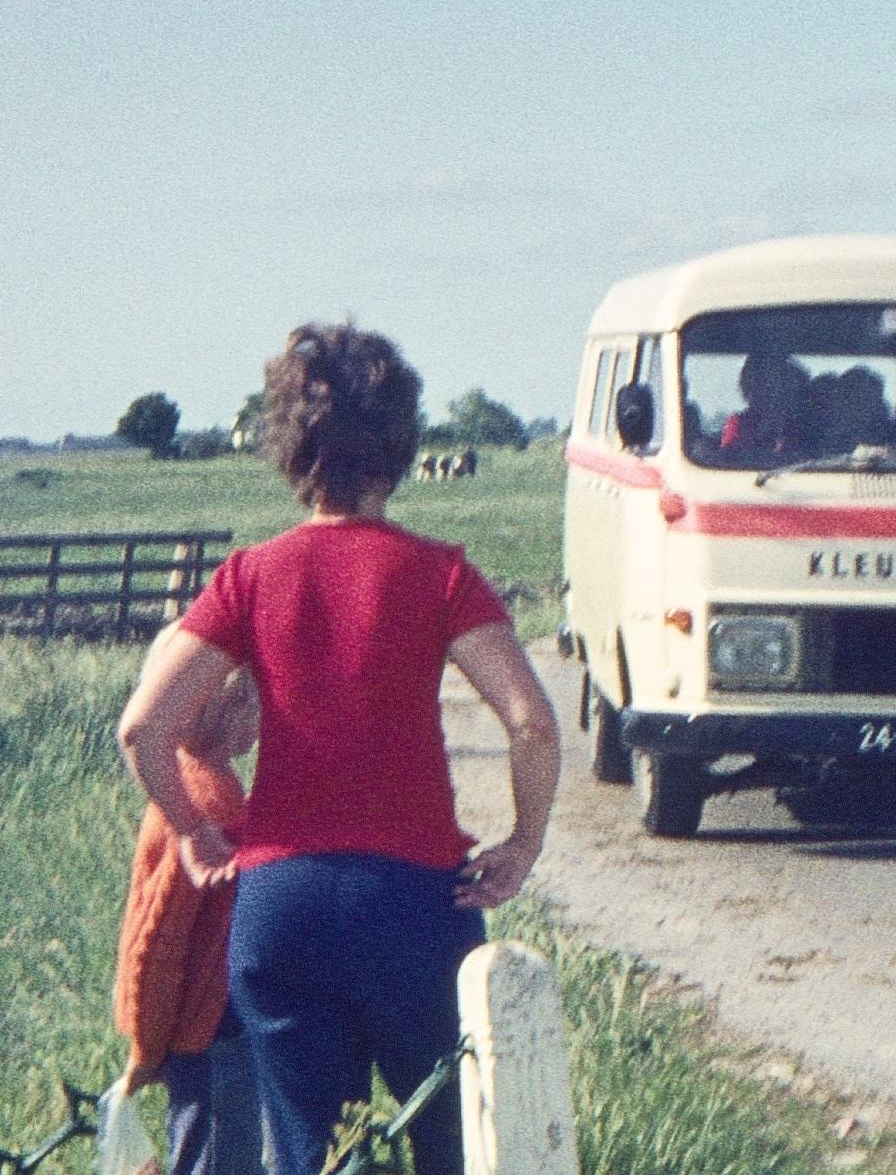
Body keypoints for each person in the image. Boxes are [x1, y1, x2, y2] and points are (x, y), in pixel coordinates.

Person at [117, 319, 560, 1175]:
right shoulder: (441, 574)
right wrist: (523, 841)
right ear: (400, 446)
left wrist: (194, 829)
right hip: (415, 904)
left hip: (281, 908)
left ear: (290, 449)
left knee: (313, 1156)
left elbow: (144, 726)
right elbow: (533, 721)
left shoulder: (248, 576)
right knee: (456, 1144)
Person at [112, 621, 264, 1175]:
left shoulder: (193, 787)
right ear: (234, 713)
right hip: (206, 1038)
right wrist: (147, 1051)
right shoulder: (204, 806)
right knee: (218, 1159)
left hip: (205, 1033)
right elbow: (159, 945)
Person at [718, 352, 809, 458]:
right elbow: (726, 460)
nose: (772, 392)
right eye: (765, 384)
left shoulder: (804, 424)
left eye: (780, 383)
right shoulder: (738, 423)